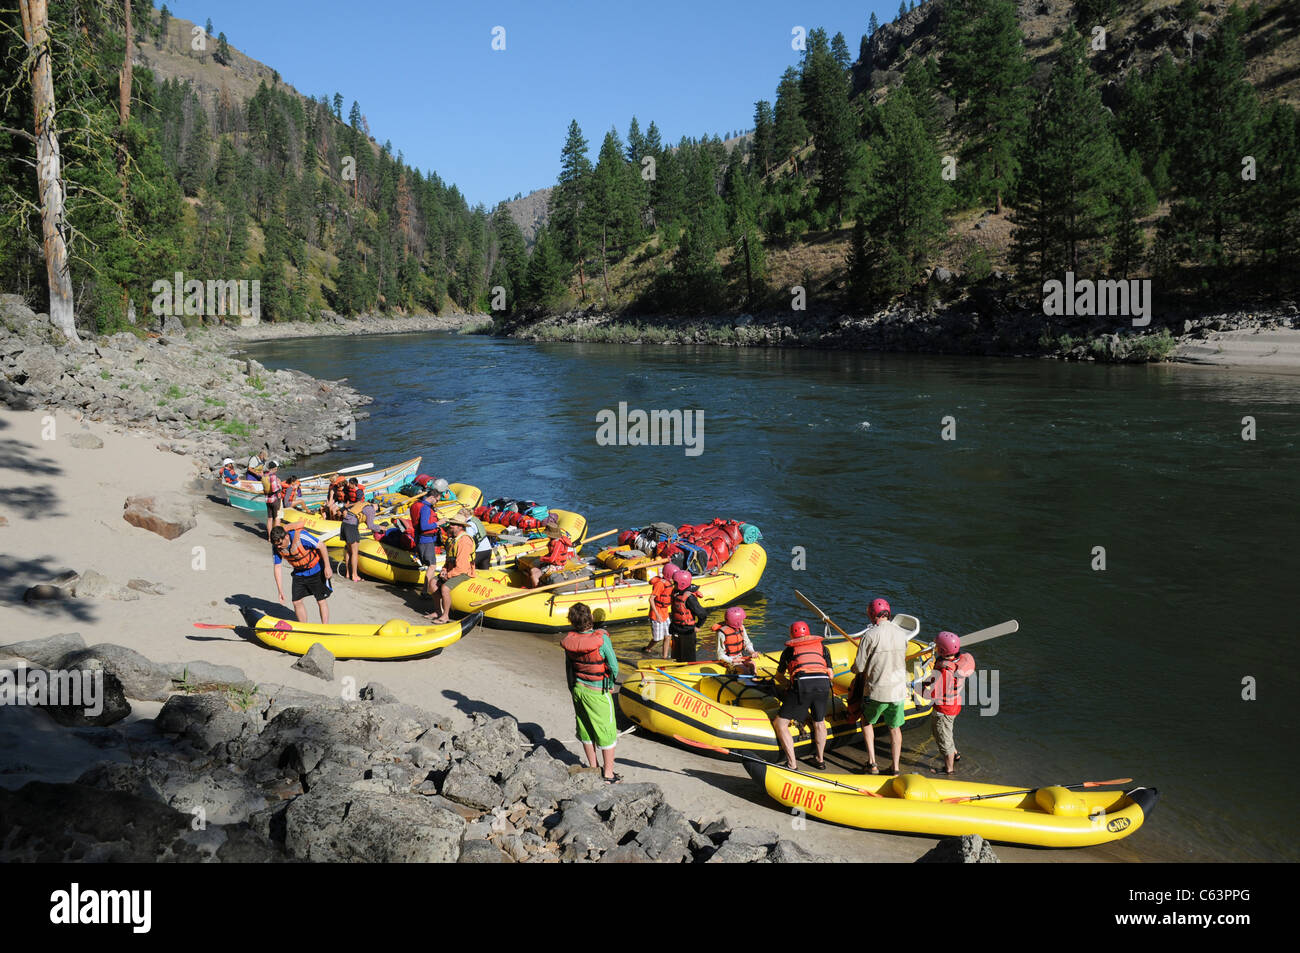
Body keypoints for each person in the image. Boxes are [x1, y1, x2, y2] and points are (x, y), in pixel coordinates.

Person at [560, 602, 621, 783]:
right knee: (606, 730)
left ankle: (594, 768)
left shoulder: (570, 642)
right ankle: (608, 774)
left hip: (579, 688)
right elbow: (614, 666)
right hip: (597, 691)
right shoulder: (601, 639)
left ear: (572, 622)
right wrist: (610, 683)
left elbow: (568, 668)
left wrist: (572, 688)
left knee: (585, 728)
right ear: (591, 618)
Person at [850, 597, 911, 775]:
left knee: (867, 721)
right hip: (898, 691)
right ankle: (896, 767)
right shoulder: (902, 634)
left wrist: (853, 669)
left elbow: (859, 667)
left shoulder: (870, 635)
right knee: (895, 727)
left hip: (877, 691)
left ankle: (872, 763)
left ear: (872, 614)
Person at [773, 620, 833, 771]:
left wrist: (789, 683)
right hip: (824, 684)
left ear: (792, 635)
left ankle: (792, 764)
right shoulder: (823, 648)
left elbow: (779, 677)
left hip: (803, 684)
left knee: (780, 723)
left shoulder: (789, 651)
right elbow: (830, 675)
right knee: (819, 722)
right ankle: (820, 759)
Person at [921, 631, 974, 775]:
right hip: (954, 704)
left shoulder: (945, 670)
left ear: (943, 650)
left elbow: (932, 694)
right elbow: (935, 679)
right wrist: (925, 682)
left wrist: (917, 690)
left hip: (944, 709)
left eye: (937, 646)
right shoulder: (959, 660)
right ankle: (955, 754)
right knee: (947, 732)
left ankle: (949, 770)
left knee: (942, 738)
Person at [270, 522, 332, 623]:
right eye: (276, 545)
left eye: (280, 544)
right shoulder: (276, 547)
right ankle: (303, 626)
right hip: (299, 573)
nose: (279, 547)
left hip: (316, 570)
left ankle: (325, 627)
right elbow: (277, 567)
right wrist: (280, 591)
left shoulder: (301, 537)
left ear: (286, 536)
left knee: (321, 600)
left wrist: (328, 567)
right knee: (296, 602)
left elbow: (322, 546)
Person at [425, 515, 474, 623]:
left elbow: (462, 567)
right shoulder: (452, 540)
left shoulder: (464, 541)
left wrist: (448, 575)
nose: (450, 526)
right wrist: (444, 570)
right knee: (433, 583)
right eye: (450, 524)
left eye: (453, 524)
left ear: (460, 527)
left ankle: (445, 616)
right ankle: (437, 611)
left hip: (464, 572)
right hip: (452, 569)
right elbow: (449, 559)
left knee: (445, 588)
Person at [338, 477, 382, 582]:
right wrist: (380, 528)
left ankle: (348, 574)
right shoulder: (371, 510)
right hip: (351, 527)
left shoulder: (363, 505)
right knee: (354, 552)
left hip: (344, 525)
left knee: (349, 550)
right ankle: (355, 575)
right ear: (376, 506)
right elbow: (371, 526)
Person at [668, 569, 707, 662]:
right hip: (676, 628)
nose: (673, 584)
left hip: (687, 631)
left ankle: (689, 669)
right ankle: (677, 668)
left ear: (682, 584)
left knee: (688, 656)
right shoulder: (676, 593)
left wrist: (698, 626)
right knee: (676, 655)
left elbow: (702, 614)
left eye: (675, 583)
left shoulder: (689, 598)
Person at [713, 605, 757, 675]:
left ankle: (754, 681)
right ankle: (746, 683)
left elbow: (747, 643)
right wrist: (732, 660)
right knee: (744, 670)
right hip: (728, 660)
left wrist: (752, 652)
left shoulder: (741, 627)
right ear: (736, 622)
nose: (743, 621)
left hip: (739, 656)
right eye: (742, 620)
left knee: (752, 665)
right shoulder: (721, 633)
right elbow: (720, 655)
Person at [643, 566, 675, 657]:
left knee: (668, 636)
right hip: (656, 614)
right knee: (657, 638)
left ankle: (664, 658)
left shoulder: (669, 584)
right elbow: (651, 599)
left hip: (665, 613)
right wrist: (657, 615)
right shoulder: (660, 584)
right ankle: (647, 648)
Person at [408, 492, 442, 570]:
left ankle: (428, 581)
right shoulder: (425, 508)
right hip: (426, 540)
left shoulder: (416, 504)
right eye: (437, 500)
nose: (437, 502)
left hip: (419, 538)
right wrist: (438, 523)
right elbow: (424, 526)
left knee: (428, 565)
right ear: (432, 497)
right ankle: (429, 582)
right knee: (432, 566)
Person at [261, 460, 283, 539]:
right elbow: (274, 489)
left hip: (267, 499)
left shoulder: (264, 476)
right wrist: (279, 485)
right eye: (276, 468)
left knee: (269, 519)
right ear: (274, 468)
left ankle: (270, 537)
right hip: (275, 499)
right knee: (277, 518)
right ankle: (276, 537)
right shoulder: (273, 476)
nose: (277, 470)